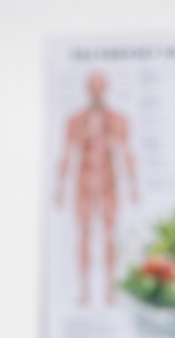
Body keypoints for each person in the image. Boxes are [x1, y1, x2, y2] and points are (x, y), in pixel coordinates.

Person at [56, 71, 139, 305]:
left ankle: (110, 290)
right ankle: (84, 291)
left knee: (110, 236)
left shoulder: (117, 120)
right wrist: (60, 188)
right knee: (83, 235)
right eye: (93, 86)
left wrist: (133, 186)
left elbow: (127, 153)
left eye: (100, 86)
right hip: (83, 182)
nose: (96, 91)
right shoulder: (74, 120)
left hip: (108, 182)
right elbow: (66, 153)